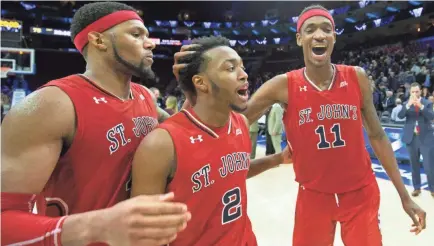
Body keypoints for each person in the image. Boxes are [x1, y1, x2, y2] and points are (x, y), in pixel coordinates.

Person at [173, 4, 426, 245]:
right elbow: (231, 121)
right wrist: (192, 93)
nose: (319, 35)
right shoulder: (283, 85)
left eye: (326, 29)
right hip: (313, 196)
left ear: (334, 38)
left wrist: (404, 196)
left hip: (361, 193)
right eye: (311, 29)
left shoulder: (356, 76)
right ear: (299, 39)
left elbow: (378, 136)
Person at [1, 2, 190, 245]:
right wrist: (96, 226)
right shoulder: (53, 104)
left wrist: (193, 93)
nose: (151, 42)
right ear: (99, 41)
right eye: (136, 34)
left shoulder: (144, 96)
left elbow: (186, 133)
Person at [131, 36, 290, 246]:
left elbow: (232, 172)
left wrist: (278, 158)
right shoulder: (161, 143)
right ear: (201, 82)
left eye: (242, 67)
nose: (244, 75)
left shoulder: (240, 123)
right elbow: (143, 234)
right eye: (230, 68)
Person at [398, 83, 434, 197]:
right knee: (414, 165)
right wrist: (408, 105)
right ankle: (416, 188)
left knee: (429, 166)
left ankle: (432, 188)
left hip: (426, 138)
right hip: (412, 138)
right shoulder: (406, 104)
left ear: (420, 91)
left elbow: (431, 116)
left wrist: (421, 106)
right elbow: (400, 115)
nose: (415, 94)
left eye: (417, 91)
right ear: (410, 92)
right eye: (412, 92)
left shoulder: (427, 103)